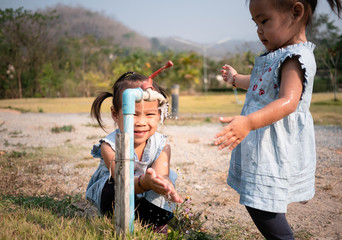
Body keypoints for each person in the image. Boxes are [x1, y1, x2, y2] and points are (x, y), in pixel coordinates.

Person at [214, 0, 341, 239]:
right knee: (258, 199)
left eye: (264, 21)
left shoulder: (295, 57)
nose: (259, 30)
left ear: (296, 12)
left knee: (261, 202)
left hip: (274, 144)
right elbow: (260, 83)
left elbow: (289, 102)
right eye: (256, 23)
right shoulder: (278, 54)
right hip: (264, 144)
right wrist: (235, 78)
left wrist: (249, 122)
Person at [86, 72, 183, 231]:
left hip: (145, 193)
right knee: (112, 189)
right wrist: (144, 182)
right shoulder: (110, 146)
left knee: (159, 189)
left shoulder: (161, 144)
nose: (140, 122)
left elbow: (162, 174)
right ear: (115, 114)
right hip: (116, 195)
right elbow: (122, 181)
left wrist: (166, 185)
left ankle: (155, 224)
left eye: (150, 114)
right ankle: (120, 218)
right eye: (132, 114)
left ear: (159, 114)